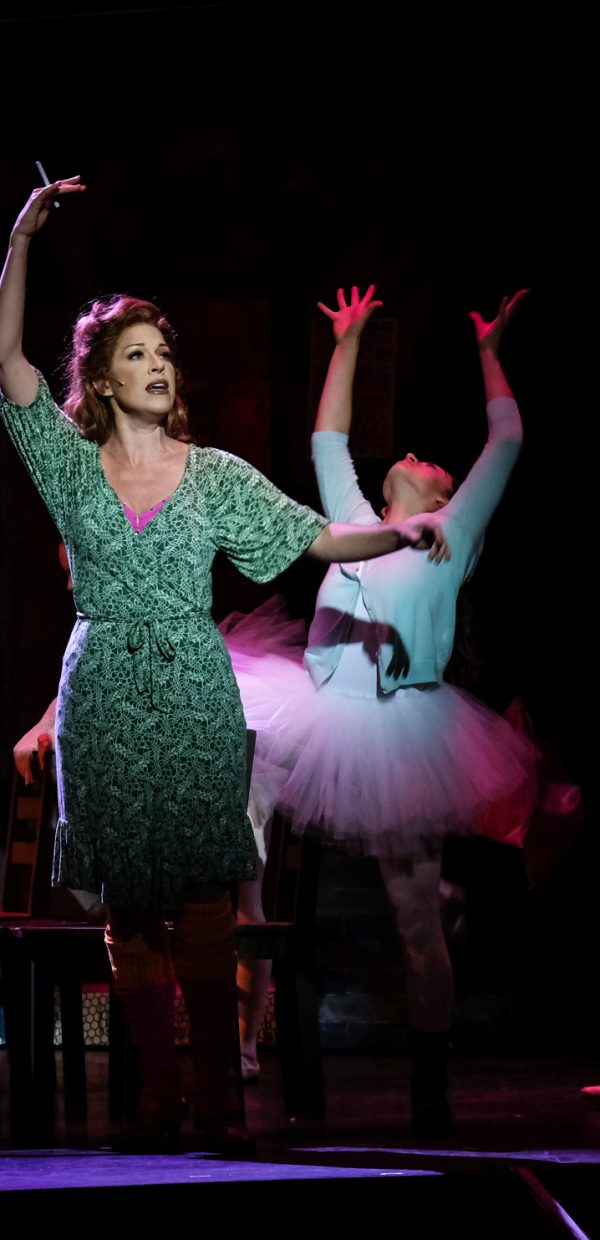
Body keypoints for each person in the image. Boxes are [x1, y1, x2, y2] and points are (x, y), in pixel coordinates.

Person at [0, 181, 450, 1152]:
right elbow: (8, 363)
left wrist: (401, 531)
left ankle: (218, 1097)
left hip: (196, 693)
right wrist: (21, 238)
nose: (158, 366)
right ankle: (159, 1096)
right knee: (130, 905)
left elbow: (316, 536)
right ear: (103, 380)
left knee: (205, 897)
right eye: (136, 355)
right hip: (104, 691)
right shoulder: (70, 468)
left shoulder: (214, 476)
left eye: (164, 353)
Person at [222, 283, 537, 1134]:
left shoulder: (452, 535)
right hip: (321, 713)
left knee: (411, 922)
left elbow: (507, 439)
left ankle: (430, 1088)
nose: (420, 453)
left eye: (434, 463)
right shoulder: (358, 522)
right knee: (235, 729)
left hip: (401, 733)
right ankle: (240, 917)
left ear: (441, 495)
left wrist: (489, 355)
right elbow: (329, 439)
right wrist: (348, 341)